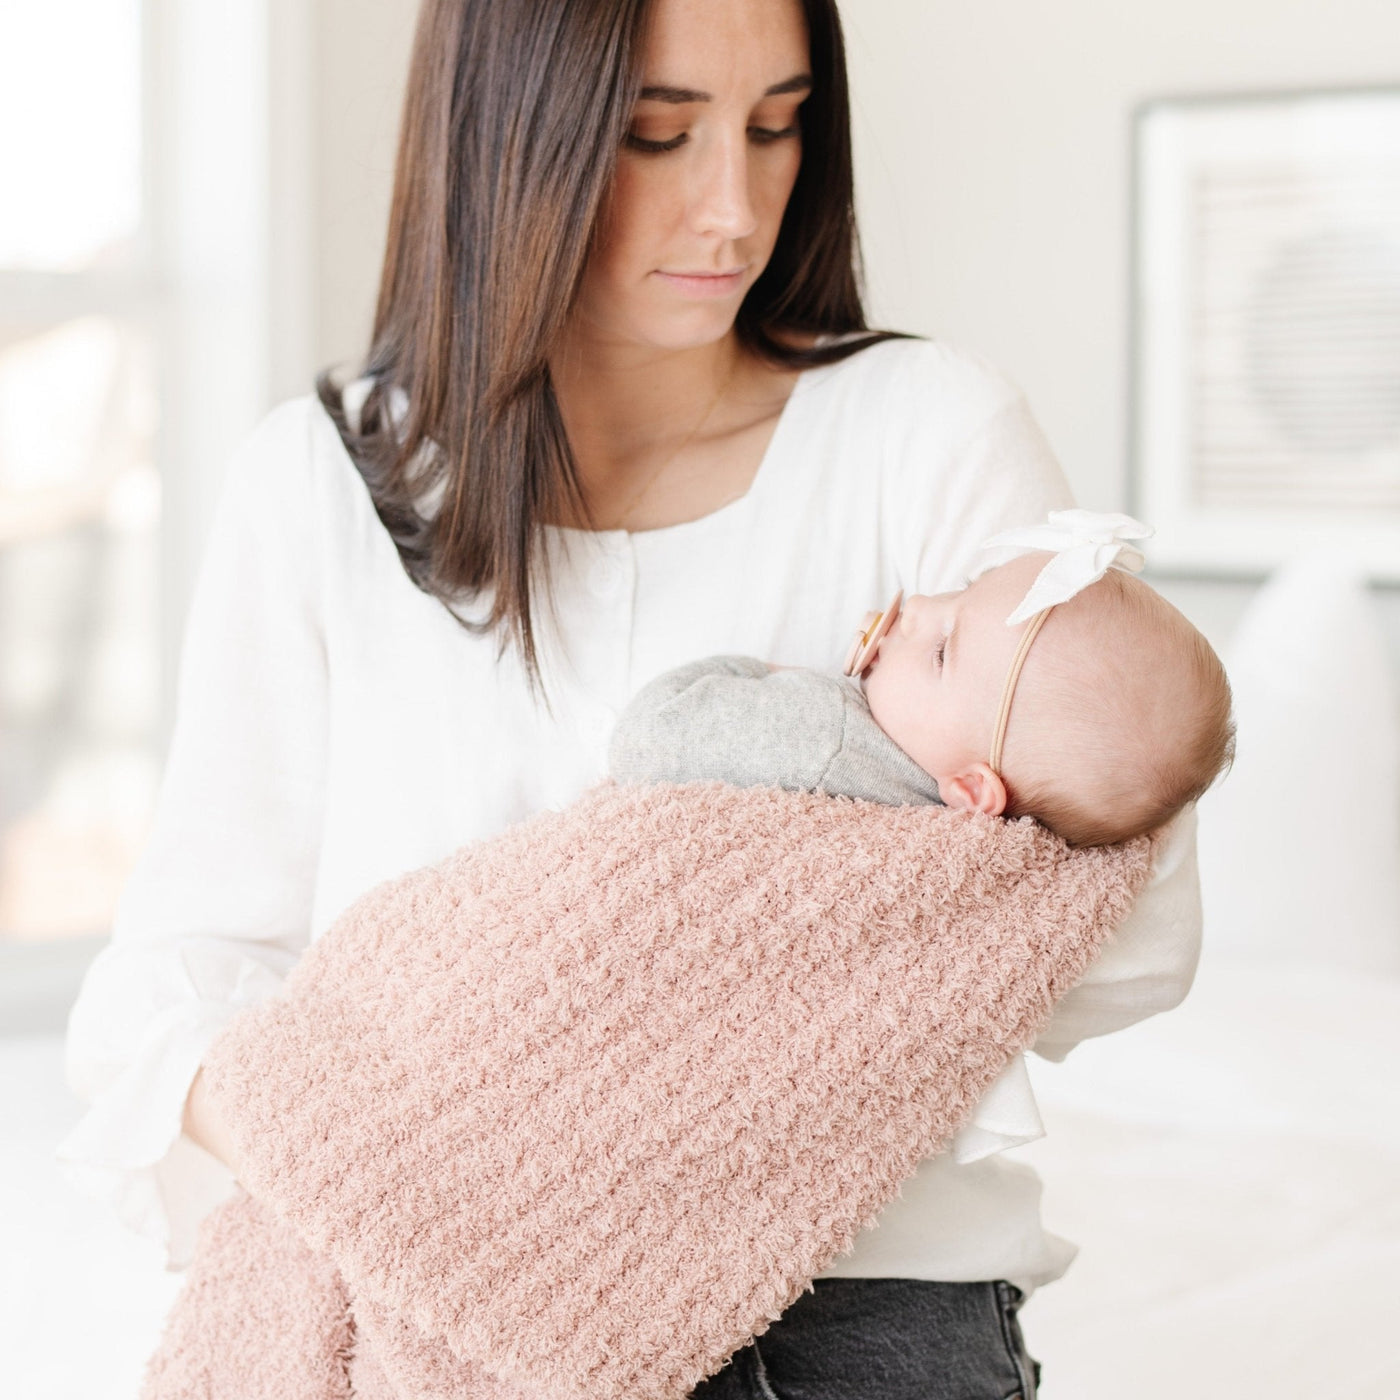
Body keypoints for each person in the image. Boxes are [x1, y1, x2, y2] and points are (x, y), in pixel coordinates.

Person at [57, 1, 1206, 1396]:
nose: (735, 208)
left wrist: (705, 1055)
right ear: (505, 138)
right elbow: (173, 982)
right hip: (420, 1304)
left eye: (777, 126)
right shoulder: (316, 487)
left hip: (851, 1313)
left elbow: (1122, 910)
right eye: (658, 135)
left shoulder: (925, 428)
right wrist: (412, 1174)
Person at [611, 523, 1237, 848]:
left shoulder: (827, 734)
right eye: (961, 591)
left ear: (971, 788)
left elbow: (646, 738)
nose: (918, 605)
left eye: (940, 652)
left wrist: (764, 675)